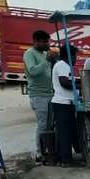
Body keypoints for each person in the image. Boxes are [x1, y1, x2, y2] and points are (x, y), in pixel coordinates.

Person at [23, 30, 57, 162]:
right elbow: (33, 71)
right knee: (42, 125)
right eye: (44, 42)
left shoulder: (44, 54)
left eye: (48, 41)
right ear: (36, 41)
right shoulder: (29, 53)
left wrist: (53, 60)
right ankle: (39, 153)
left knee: (51, 125)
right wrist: (46, 60)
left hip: (50, 94)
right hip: (38, 95)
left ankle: (49, 149)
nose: (47, 44)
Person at [50, 45, 78, 167]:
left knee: (67, 131)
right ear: (70, 56)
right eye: (75, 56)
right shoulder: (63, 65)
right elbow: (64, 82)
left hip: (66, 103)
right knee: (65, 133)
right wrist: (79, 86)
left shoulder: (63, 65)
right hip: (62, 103)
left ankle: (63, 158)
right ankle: (66, 160)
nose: (76, 58)